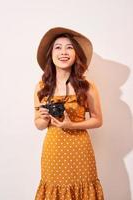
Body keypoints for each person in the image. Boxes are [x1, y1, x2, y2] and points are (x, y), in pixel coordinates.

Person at [34, 27, 104, 199]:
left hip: (80, 149)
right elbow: (38, 124)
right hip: (54, 149)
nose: (63, 52)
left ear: (76, 54)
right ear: (51, 54)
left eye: (69, 47)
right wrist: (43, 118)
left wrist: (72, 125)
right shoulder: (42, 87)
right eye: (58, 47)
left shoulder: (87, 86)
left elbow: (98, 120)